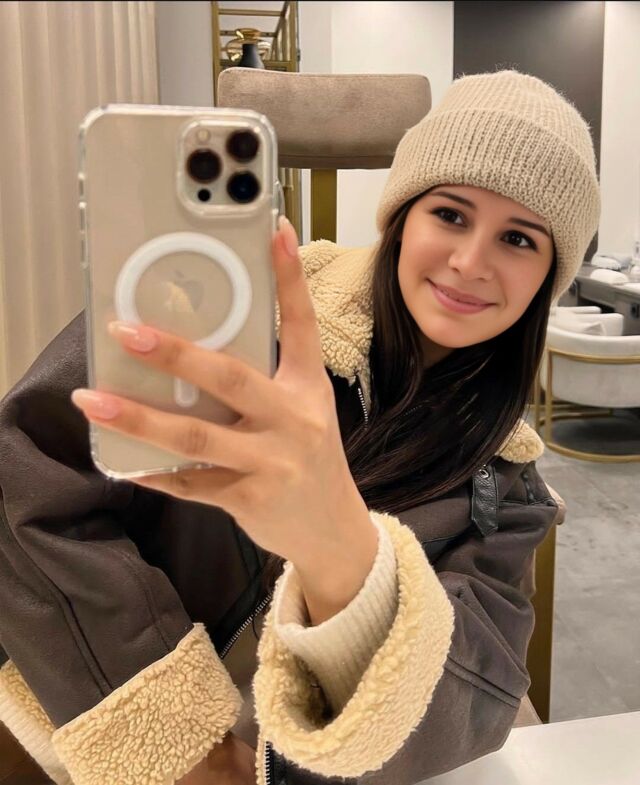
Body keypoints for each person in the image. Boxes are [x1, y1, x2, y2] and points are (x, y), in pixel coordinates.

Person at [0, 68, 600, 785]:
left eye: (520, 239)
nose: (470, 262)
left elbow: (467, 702)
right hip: (78, 729)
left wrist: (339, 547)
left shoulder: (508, 491)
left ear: (549, 276)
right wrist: (178, 741)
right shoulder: (236, 314)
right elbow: (25, 477)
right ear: (402, 215)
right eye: (450, 213)